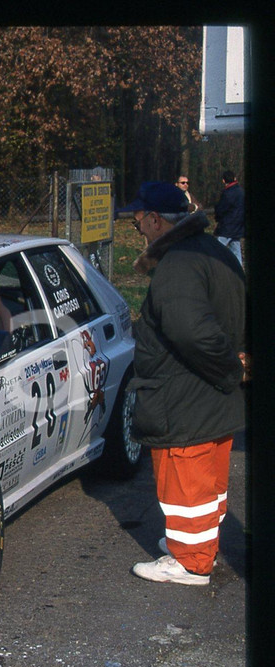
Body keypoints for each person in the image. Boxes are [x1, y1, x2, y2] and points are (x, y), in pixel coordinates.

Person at [124, 181, 246, 586]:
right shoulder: (212, 249)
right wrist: (235, 368)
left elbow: (191, 332)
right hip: (212, 398)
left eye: (138, 223)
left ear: (155, 220)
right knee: (208, 484)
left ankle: (191, 561)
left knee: (184, 480)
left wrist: (229, 369)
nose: (138, 230)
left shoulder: (177, 265)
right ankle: (200, 542)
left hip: (184, 398)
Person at [213, 170, 245, 267]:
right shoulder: (241, 191)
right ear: (235, 178)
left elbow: (221, 209)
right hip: (239, 226)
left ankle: (214, 268)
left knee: (216, 249)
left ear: (223, 180)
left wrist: (217, 217)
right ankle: (239, 270)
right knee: (236, 250)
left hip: (227, 226)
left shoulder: (228, 193)